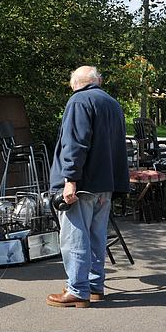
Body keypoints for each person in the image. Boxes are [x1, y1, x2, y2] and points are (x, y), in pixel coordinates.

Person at [46, 66, 129, 308]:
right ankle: (94, 286)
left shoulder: (79, 101)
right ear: (97, 81)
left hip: (83, 184)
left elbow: (75, 142)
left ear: (75, 84)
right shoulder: (113, 103)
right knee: (96, 236)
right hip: (106, 183)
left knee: (74, 237)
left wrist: (70, 179)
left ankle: (77, 290)